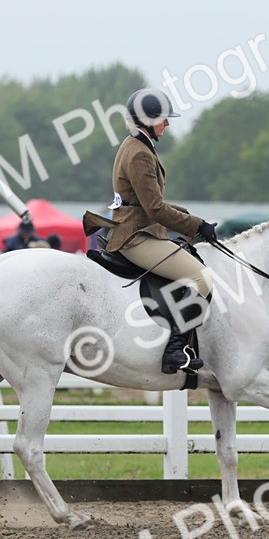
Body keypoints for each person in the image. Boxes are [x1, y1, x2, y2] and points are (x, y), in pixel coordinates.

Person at [108, 87, 218, 375]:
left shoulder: (135, 146)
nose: (167, 124)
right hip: (136, 236)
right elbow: (155, 209)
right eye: (163, 119)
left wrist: (190, 218)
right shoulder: (139, 154)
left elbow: (150, 203)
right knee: (201, 278)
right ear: (146, 121)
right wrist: (197, 226)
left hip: (138, 227)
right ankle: (174, 350)